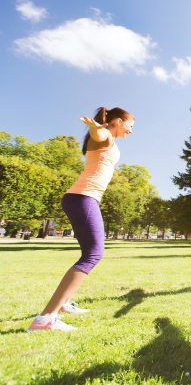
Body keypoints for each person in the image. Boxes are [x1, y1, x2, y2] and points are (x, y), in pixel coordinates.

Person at [28, 107, 135, 332]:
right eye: (130, 125)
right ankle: (45, 318)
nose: (131, 131)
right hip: (83, 198)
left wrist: (100, 131)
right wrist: (97, 130)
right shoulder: (103, 138)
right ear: (117, 121)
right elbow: (100, 135)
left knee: (89, 253)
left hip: (83, 198)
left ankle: (63, 304)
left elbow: (103, 136)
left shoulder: (109, 140)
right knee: (93, 254)